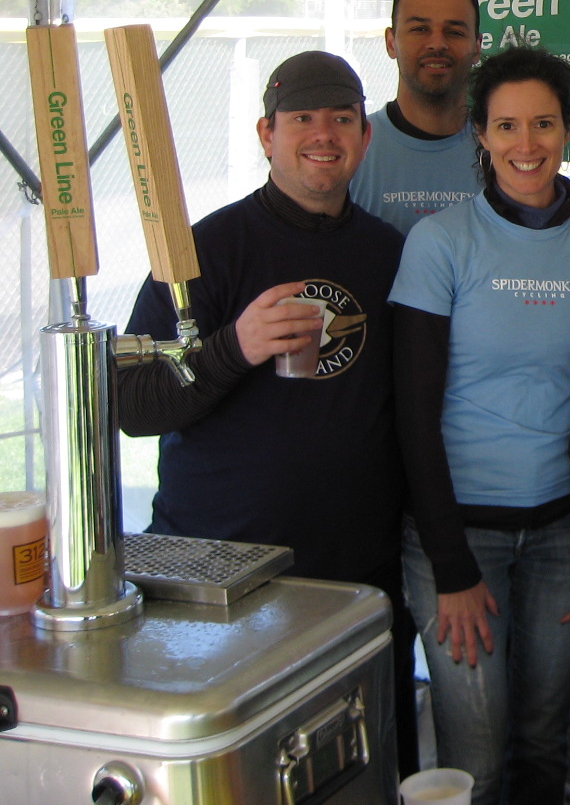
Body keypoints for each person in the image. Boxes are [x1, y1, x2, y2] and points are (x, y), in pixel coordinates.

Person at [118, 50, 417, 774]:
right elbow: (132, 404)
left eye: (342, 118)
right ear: (266, 134)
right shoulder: (202, 250)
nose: (324, 135)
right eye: (302, 118)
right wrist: (235, 346)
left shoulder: (389, 252)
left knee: (366, 770)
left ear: (364, 136)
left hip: (356, 579)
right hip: (223, 577)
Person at [389, 46, 570, 804]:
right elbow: (413, 412)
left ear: (568, 129)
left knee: (544, 746)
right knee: (477, 763)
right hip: (456, 537)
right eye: (508, 125)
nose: (527, 144)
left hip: (561, 534)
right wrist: (451, 568)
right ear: (480, 134)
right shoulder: (440, 242)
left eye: (544, 124)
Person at [351, 0, 483, 233]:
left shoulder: (505, 150)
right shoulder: (349, 149)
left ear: (477, 46)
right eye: (420, 29)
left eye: (455, 32)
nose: (437, 43)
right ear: (391, 42)